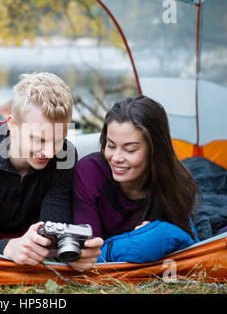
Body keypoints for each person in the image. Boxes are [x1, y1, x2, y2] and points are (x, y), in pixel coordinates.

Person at [0, 72, 103, 272]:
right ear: (13, 125)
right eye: (39, 140)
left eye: (58, 139)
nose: (50, 152)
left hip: (21, 234)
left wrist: (75, 254)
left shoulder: (65, 155)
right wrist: (6, 248)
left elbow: (51, 234)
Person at [73, 96, 199, 241]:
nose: (116, 158)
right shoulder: (89, 172)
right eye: (111, 146)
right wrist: (134, 239)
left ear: (155, 150)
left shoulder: (179, 185)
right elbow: (90, 250)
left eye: (130, 149)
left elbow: (186, 243)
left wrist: (154, 236)